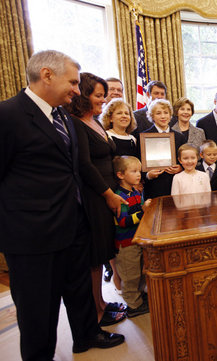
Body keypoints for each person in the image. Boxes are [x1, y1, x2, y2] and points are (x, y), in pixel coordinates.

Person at [0, 50, 124, 360]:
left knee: (79, 290)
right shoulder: (8, 115)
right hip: (32, 236)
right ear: (46, 75)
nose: (75, 90)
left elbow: (75, 168)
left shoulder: (63, 117)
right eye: (72, 82)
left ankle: (86, 336)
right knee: (37, 308)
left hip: (73, 223)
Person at [66, 72, 128, 327]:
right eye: (99, 95)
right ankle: (97, 310)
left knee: (102, 252)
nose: (104, 100)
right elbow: (84, 164)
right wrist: (109, 194)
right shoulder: (76, 122)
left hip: (107, 194)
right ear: (84, 95)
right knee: (94, 258)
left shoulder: (95, 121)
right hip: (95, 196)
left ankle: (102, 302)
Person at [101, 98, 139, 291]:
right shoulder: (106, 136)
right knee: (116, 234)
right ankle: (117, 277)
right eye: (119, 113)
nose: (124, 116)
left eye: (127, 113)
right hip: (115, 192)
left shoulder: (133, 139)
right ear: (110, 117)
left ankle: (131, 280)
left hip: (133, 190)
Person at [112, 156, 151, 318]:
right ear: (121, 175)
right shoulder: (120, 196)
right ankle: (133, 305)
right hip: (126, 243)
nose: (138, 175)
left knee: (140, 271)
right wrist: (142, 211)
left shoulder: (135, 191)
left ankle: (139, 296)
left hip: (136, 240)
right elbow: (123, 221)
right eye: (134, 171)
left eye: (139, 171)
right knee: (130, 275)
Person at [141, 98, 186, 199]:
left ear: (170, 115)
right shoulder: (145, 136)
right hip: (154, 186)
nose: (163, 116)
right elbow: (139, 163)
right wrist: (148, 175)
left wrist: (181, 167)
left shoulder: (179, 137)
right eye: (158, 113)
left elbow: (185, 158)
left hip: (175, 184)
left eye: (166, 112)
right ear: (152, 116)